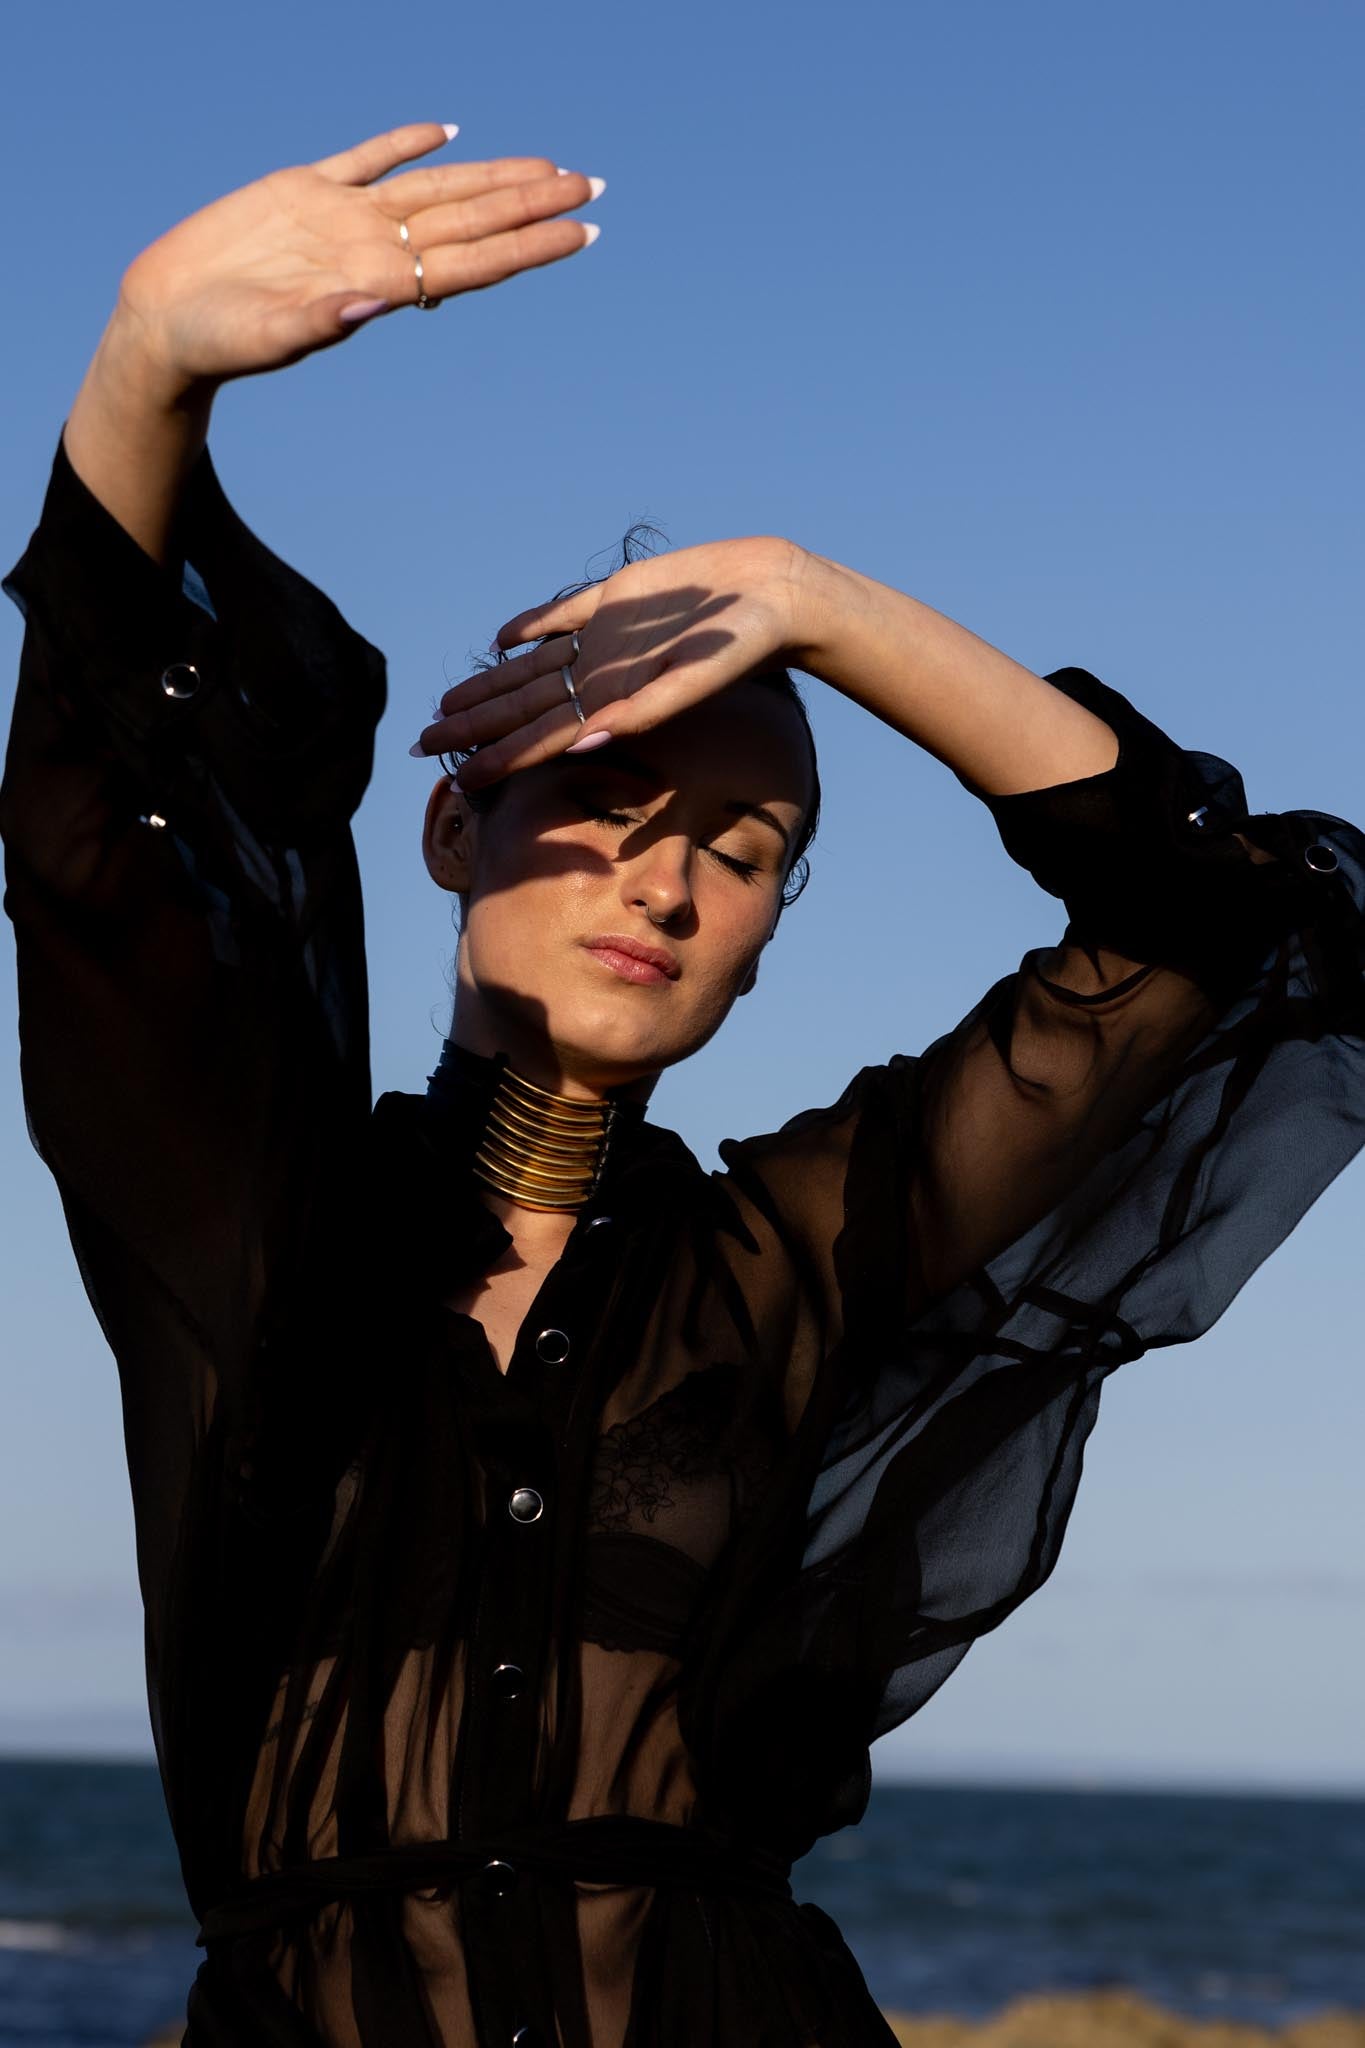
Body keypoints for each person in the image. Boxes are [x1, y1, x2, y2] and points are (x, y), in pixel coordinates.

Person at [2, 120, 1361, 2048]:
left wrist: (827, 604)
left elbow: (1209, 926)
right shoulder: (252, 1210)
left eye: (743, 850)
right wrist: (148, 359)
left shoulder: (795, 1252)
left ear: (768, 931)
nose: (666, 878)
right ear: (453, 831)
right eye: (608, 806)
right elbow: (94, 851)